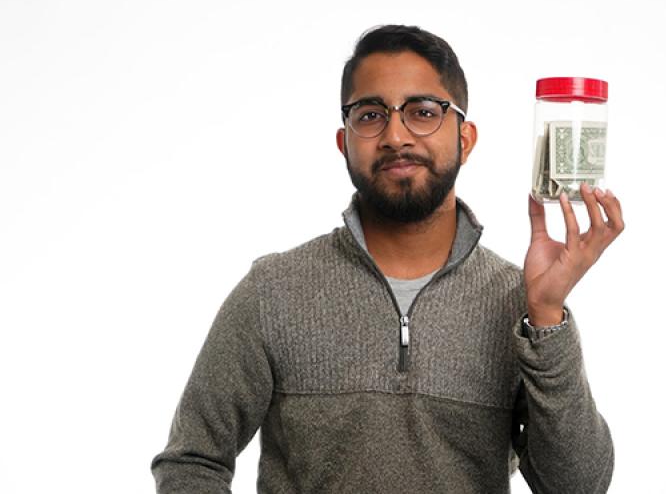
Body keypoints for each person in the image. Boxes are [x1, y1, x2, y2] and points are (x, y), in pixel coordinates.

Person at [151, 24, 624, 493]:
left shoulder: (518, 303)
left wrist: (545, 315)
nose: (396, 135)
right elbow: (192, 463)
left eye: (423, 111)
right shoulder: (272, 290)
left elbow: (578, 485)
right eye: (371, 115)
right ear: (345, 142)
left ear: (465, 138)